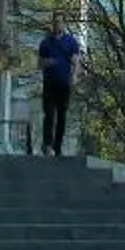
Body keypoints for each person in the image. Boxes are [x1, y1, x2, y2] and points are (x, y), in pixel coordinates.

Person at [36, 17, 81, 155]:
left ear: (64, 24)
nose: (57, 24)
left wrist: (75, 76)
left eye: (60, 22)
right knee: (49, 114)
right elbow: (39, 64)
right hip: (49, 83)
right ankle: (47, 144)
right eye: (55, 22)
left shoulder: (70, 42)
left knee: (62, 115)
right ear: (52, 24)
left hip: (63, 84)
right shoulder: (46, 43)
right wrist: (46, 62)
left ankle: (58, 145)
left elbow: (76, 61)